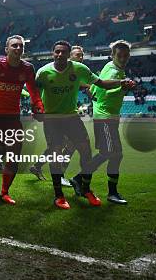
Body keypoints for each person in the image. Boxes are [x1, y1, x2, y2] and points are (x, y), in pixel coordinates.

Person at [35, 40, 135, 209]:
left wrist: (121, 83)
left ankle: (85, 188)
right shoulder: (43, 72)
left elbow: (100, 84)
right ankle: (59, 195)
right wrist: (36, 108)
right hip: (52, 119)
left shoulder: (79, 69)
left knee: (86, 150)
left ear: (68, 55)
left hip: (72, 117)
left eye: (63, 52)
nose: (60, 55)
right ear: (53, 53)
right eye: (57, 52)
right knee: (56, 154)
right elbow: (35, 93)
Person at [0, 35, 44, 205]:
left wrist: (38, 105)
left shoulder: (27, 68)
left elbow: (33, 91)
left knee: (14, 156)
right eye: (14, 46)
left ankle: (4, 193)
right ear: (6, 49)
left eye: (21, 46)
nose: (18, 48)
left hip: (12, 117)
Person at [29, 45, 88, 184]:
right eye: (77, 55)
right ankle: (59, 176)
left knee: (58, 146)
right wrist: (37, 108)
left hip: (68, 116)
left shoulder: (76, 71)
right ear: (70, 57)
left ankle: (37, 166)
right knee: (66, 146)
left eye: (82, 55)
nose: (81, 58)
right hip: (55, 117)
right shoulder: (51, 71)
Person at [88, 40, 135, 204]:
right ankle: (82, 180)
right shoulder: (114, 72)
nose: (122, 59)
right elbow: (104, 94)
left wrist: (122, 87)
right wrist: (122, 87)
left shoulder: (112, 68)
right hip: (105, 117)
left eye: (125, 55)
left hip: (108, 116)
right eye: (119, 55)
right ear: (112, 55)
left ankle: (82, 180)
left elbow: (94, 91)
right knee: (112, 154)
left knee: (112, 154)